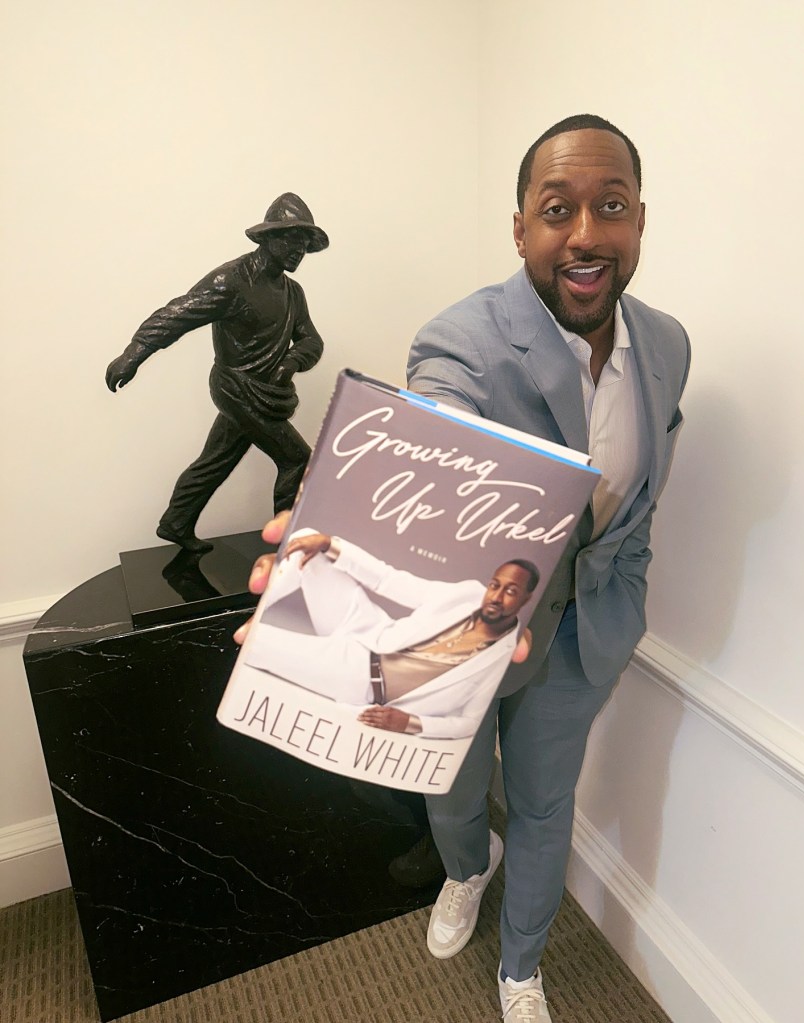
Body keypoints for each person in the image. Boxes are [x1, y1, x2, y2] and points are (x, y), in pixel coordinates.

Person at [240, 113, 690, 1022]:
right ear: (520, 226)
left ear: (640, 219)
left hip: (582, 632)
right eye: (556, 208)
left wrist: (625, 583)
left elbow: (641, 497)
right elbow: (431, 444)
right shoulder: (463, 342)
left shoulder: (668, 346)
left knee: (542, 798)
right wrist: (341, 531)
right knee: (445, 782)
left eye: (610, 206)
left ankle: (521, 966)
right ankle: (461, 870)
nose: (586, 233)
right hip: (467, 630)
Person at [105, 193, 329, 553]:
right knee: (297, 459)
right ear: (268, 238)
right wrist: (133, 354)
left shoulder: (292, 293)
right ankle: (288, 546)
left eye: (303, 244)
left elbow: (311, 341)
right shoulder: (232, 281)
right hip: (235, 389)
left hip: (267, 394)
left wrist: (291, 362)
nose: (297, 250)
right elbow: (177, 314)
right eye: (290, 239)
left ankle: (175, 523)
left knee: (216, 460)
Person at [242, 528, 538, 740]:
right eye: (495, 585)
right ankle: (258, 613)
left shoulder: (504, 650)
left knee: (254, 646)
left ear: (525, 600)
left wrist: (410, 722)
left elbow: (467, 723)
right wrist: (331, 544)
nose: (496, 597)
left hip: (359, 677)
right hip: (368, 629)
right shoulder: (469, 594)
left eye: (511, 591)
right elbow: (390, 580)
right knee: (308, 542)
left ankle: (252, 631)